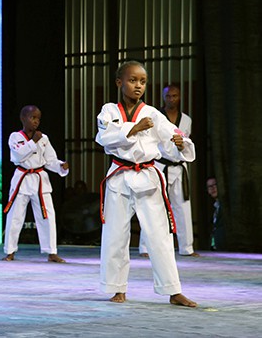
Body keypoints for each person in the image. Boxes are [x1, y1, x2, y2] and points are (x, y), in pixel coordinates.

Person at [95, 61, 197, 307]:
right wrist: (134, 128)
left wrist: (180, 144)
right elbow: (104, 137)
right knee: (115, 235)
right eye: (132, 80)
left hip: (148, 177)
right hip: (119, 176)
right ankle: (117, 288)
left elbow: (172, 136)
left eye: (142, 81)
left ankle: (173, 290)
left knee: (159, 236)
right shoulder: (109, 110)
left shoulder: (153, 113)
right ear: (119, 82)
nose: (138, 85)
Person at [3, 105, 69, 263]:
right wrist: (33, 141)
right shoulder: (15, 137)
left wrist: (60, 166)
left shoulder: (44, 138)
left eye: (38, 118)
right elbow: (18, 155)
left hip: (40, 179)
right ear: (23, 118)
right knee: (15, 217)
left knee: (47, 216)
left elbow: (50, 160)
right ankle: (10, 251)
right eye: (32, 117)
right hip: (22, 178)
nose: (36, 121)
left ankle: (51, 251)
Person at [139, 84, 199, 257]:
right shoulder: (155, 118)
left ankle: (187, 248)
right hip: (160, 165)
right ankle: (145, 247)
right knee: (154, 206)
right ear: (163, 97)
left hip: (179, 167)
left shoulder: (186, 120)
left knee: (183, 207)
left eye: (175, 96)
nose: (172, 99)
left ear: (179, 97)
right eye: (168, 96)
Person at [206, 177, 224, 250]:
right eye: (210, 186)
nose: (213, 188)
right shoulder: (212, 207)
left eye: (215, 185)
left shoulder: (226, 206)